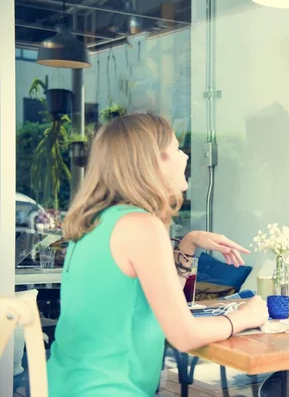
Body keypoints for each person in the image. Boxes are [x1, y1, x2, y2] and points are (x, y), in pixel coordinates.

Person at [46, 114, 269, 396]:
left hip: (65, 386)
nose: (185, 157)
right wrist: (245, 317)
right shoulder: (141, 226)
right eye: (176, 149)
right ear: (153, 160)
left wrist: (188, 245)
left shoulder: (98, 223)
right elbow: (184, 335)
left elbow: (155, 306)